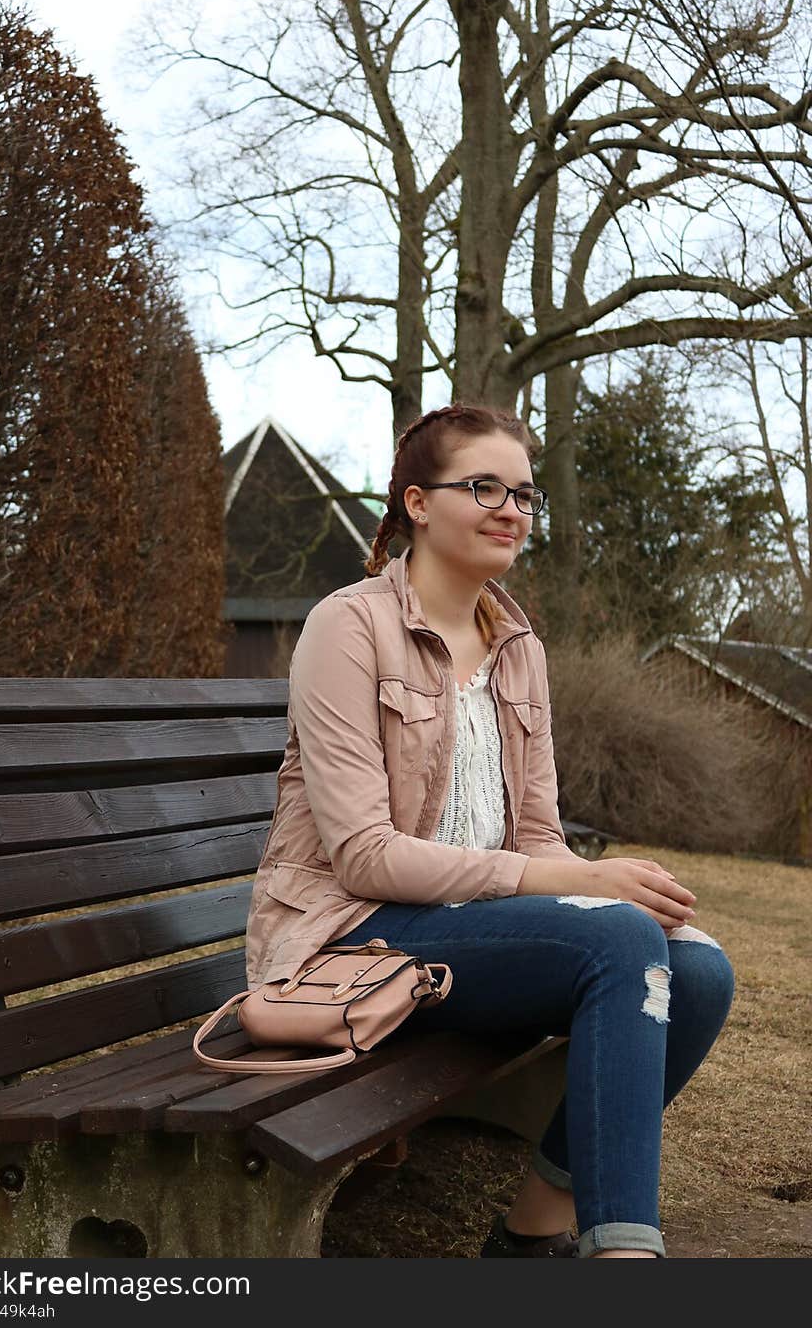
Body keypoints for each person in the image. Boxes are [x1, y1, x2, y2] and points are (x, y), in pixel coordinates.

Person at [244, 404, 735, 1259]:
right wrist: (579, 887)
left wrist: (594, 877)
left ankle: (532, 1233)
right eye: (484, 487)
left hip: (468, 935)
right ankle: (626, 1256)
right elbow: (363, 856)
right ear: (418, 504)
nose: (512, 509)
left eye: (525, 494)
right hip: (355, 937)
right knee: (619, 942)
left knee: (697, 967)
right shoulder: (348, 626)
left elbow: (538, 833)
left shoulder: (519, 649)